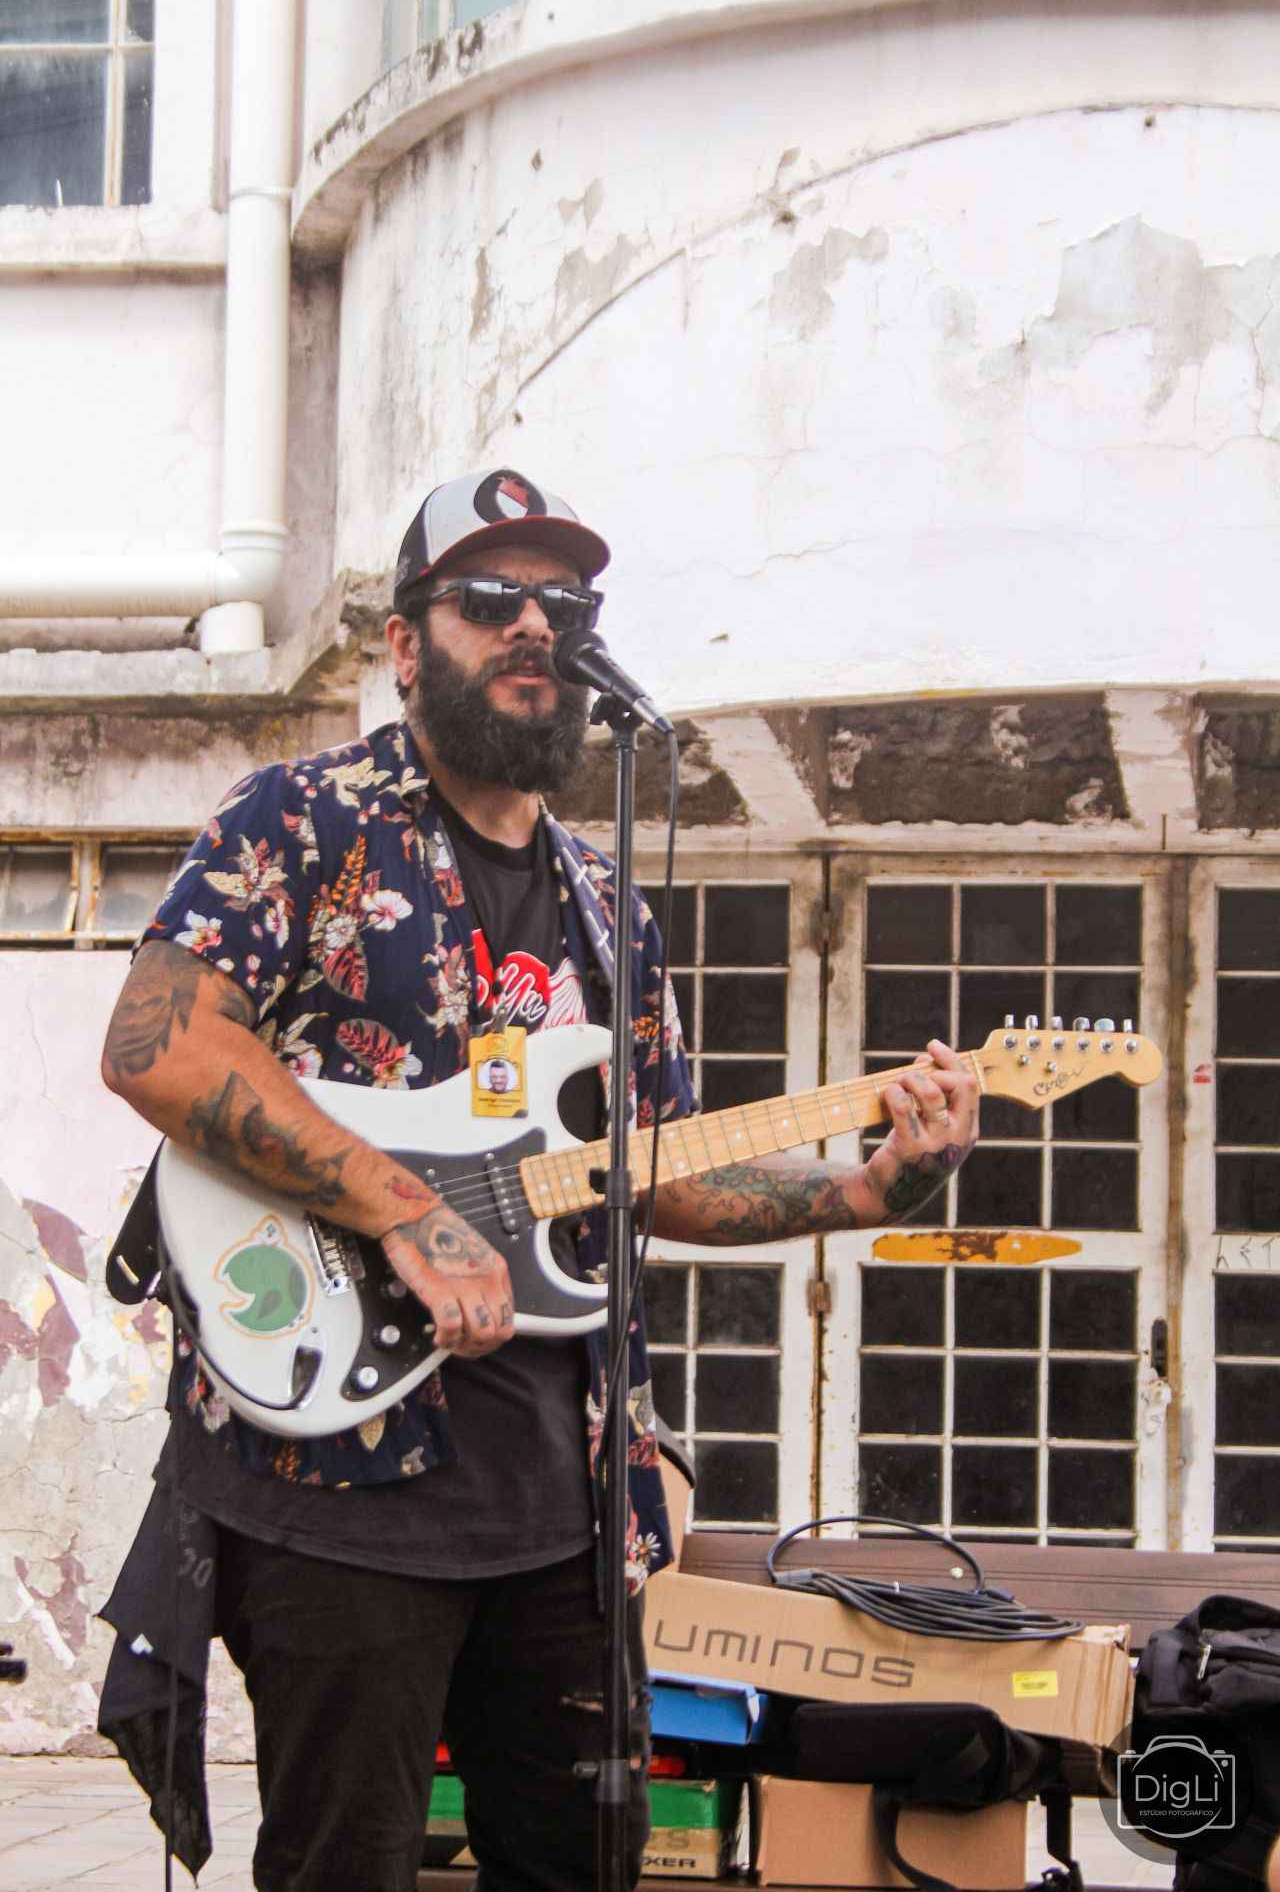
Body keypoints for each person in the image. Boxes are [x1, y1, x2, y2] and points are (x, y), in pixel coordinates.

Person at [99, 467, 979, 1892]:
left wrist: (871, 1189)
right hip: (336, 1479)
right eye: (488, 598)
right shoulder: (303, 822)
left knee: (581, 1865)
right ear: (405, 643)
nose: (531, 626)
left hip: (563, 1506)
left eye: (561, 603)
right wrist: (410, 1212)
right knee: (346, 1868)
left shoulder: (606, 898)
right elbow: (155, 1047)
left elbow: (653, 1179)